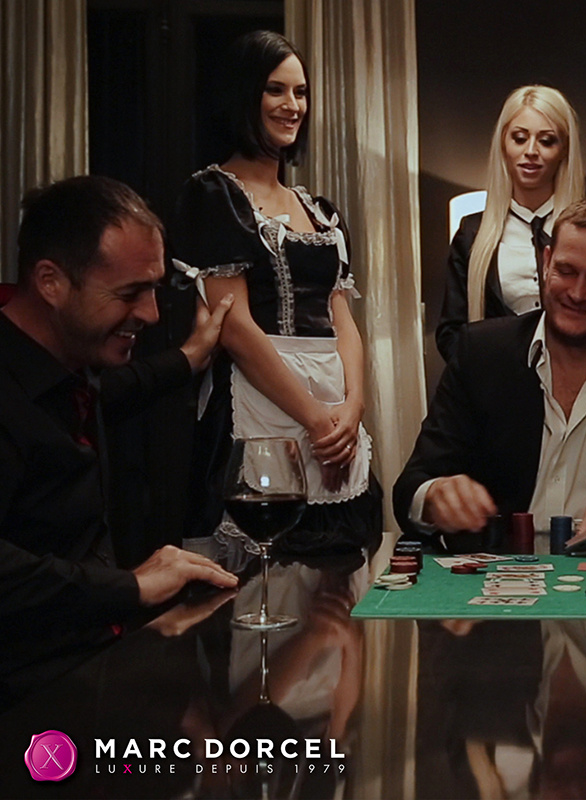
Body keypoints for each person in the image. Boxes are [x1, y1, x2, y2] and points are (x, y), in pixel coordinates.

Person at [0, 175, 239, 699]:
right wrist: (131, 585)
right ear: (50, 282)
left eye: (154, 289)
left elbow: (120, 389)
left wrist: (190, 357)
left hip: (93, 672)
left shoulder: (70, 372)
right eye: (130, 293)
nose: (151, 313)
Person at [394, 198, 586, 552]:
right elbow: (410, 488)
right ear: (546, 262)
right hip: (497, 573)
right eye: (566, 271)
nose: (577, 293)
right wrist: (435, 495)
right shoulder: (479, 352)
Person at [171, 31, 380, 550]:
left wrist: (353, 406)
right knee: (263, 563)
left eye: (301, 92)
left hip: (333, 407)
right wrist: (314, 419)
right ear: (244, 95)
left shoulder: (320, 209)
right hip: (260, 400)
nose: (292, 105)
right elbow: (234, 327)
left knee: (342, 568)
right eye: (276, 90)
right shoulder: (214, 194)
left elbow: (342, 317)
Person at [435, 84, 586, 362]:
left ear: (564, 149)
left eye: (547, 141)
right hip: (495, 380)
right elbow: (451, 334)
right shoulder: (472, 233)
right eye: (519, 138)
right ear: (503, 144)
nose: (531, 151)